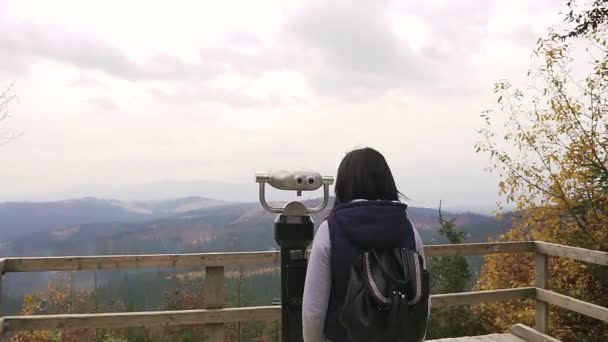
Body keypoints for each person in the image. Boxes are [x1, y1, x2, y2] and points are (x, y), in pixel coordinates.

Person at [302, 147, 429, 342]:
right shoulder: (408, 229)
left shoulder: (330, 231)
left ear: (343, 184)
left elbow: (314, 310)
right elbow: (422, 297)